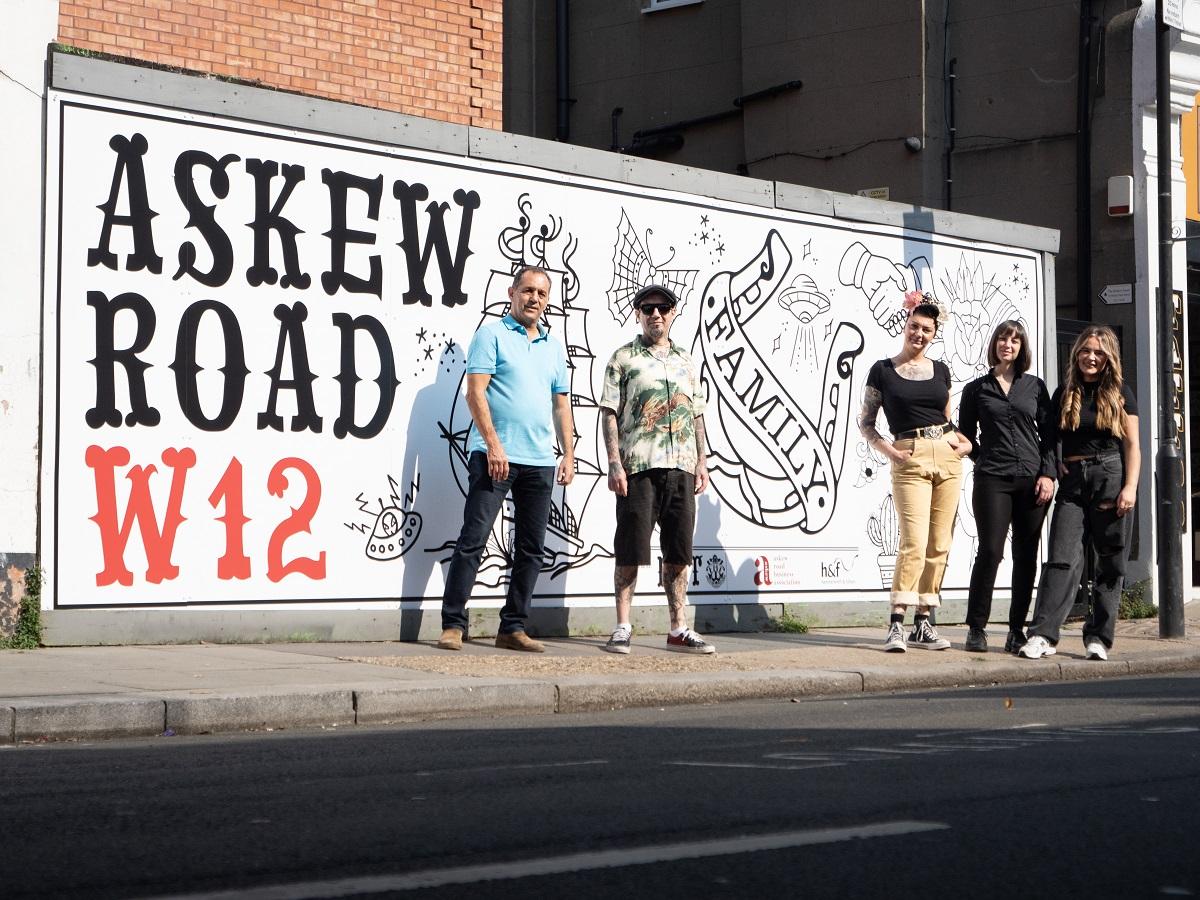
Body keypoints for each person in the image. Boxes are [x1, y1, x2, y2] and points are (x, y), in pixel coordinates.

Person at [437, 266, 575, 652]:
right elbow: (474, 394)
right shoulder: (491, 334)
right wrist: (494, 445)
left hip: (540, 460)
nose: (534, 299)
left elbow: (561, 405)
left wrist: (569, 453)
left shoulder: (553, 346)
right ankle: (453, 624)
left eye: (542, 294)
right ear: (512, 292)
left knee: (531, 547)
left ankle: (512, 627)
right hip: (493, 456)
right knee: (474, 539)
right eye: (527, 290)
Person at [599, 284, 715, 655]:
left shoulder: (686, 360)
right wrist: (614, 463)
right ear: (637, 313)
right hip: (639, 467)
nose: (656, 315)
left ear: (674, 312)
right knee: (630, 549)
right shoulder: (623, 358)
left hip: (680, 468)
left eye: (663, 308)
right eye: (648, 308)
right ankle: (622, 626)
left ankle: (678, 629)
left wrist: (702, 460)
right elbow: (609, 413)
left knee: (679, 553)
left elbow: (696, 413)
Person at [858, 290, 972, 652]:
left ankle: (923, 621)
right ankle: (896, 622)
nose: (918, 334)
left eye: (926, 329)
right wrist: (889, 450)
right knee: (914, 542)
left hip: (947, 453)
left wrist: (966, 444)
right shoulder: (883, 370)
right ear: (905, 326)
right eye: (914, 326)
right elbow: (866, 422)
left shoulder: (941, 370)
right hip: (909, 454)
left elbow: (947, 418)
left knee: (940, 542)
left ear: (934, 333)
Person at [1019, 324, 1140, 661]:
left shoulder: (1121, 392)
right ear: (1076, 355)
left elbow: (1133, 445)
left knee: (1110, 562)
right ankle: (1043, 635)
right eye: (1086, 351)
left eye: (1098, 353)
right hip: (1073, 482)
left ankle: (1099, 637)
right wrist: (1054, 464)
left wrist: (1130, 486)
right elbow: (1053, 437)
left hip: (1110, 474)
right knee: (1061, 559)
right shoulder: (1065, 392)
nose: (1091, 357)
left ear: (1108, 358)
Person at [957, 320, 1056, 654]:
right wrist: (985, 460)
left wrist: (1048, 474)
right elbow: (966, 436)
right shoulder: (977, 389)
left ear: (1021, 347)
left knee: (1026, 554)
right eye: (1002, 338)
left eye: (1014, 340)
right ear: (995, 344)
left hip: (1032, 481)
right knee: (990, 552)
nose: (1008, 345)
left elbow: (1050, 436)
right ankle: (976, 628)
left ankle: (1016, 630)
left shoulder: (1035, 387)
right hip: (993, 480)